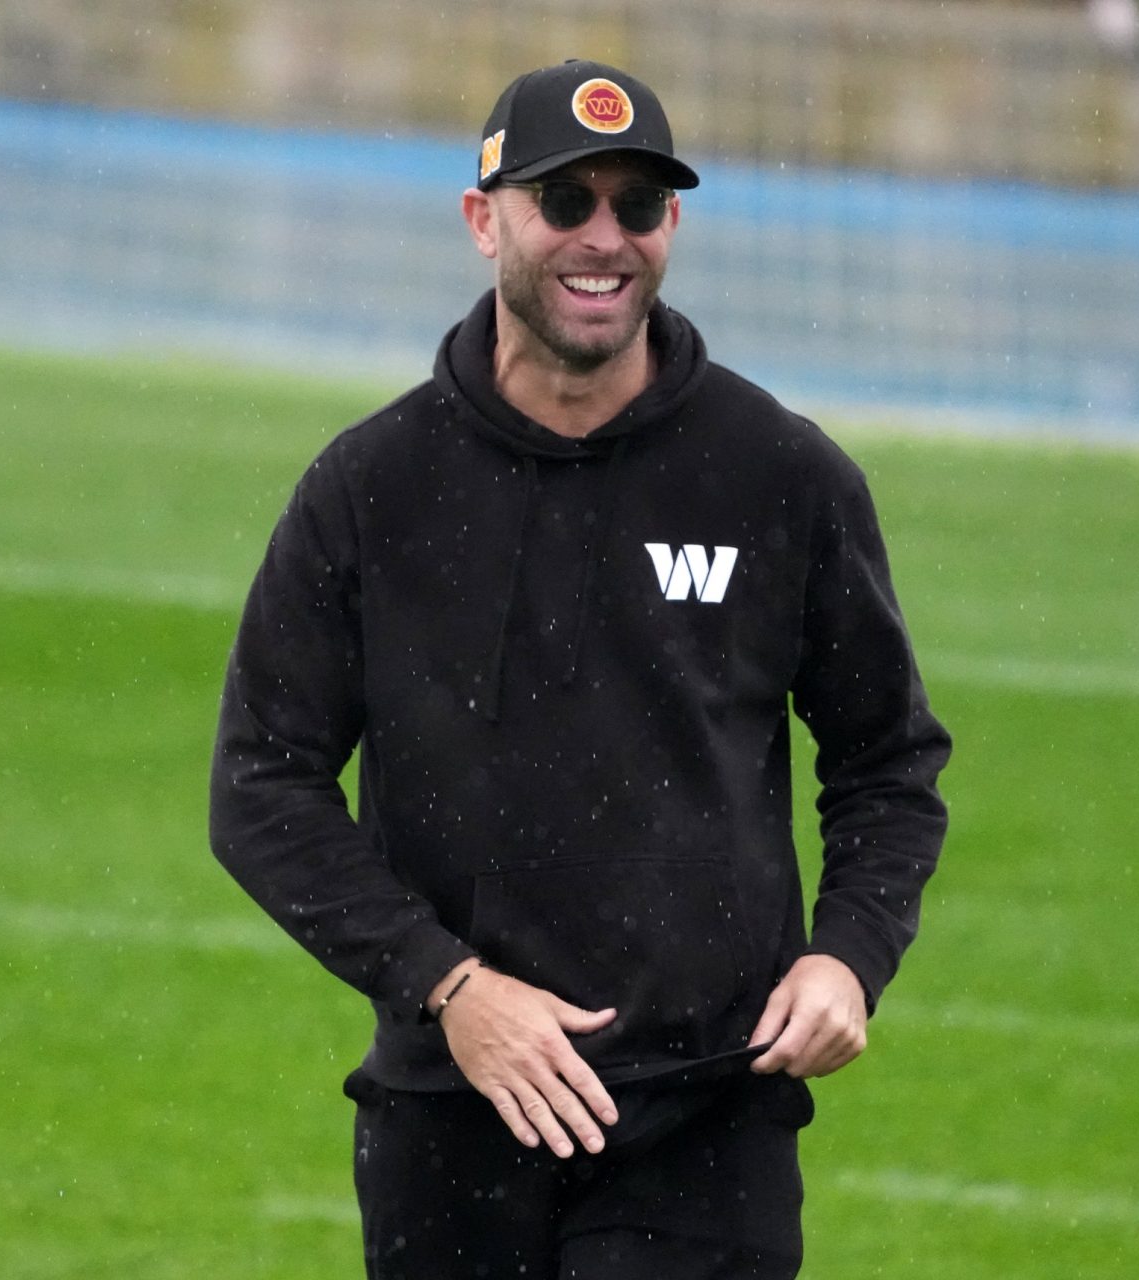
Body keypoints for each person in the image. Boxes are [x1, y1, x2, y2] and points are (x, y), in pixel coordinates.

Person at [210, 58, 951, 1280]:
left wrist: (849, 951)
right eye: (564, 202)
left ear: (676, 226)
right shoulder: (372, 488)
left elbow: (887, 760)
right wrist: (446, 984)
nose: (603, 238)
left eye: (638, 205)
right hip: (449, 1114)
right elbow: (261, 784)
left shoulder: (781, 475)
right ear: (482, 218)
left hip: (706, 1118)